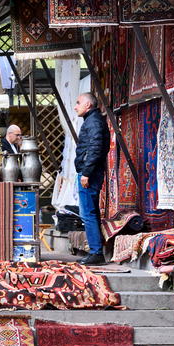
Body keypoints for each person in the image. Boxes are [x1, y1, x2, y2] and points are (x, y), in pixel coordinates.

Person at [73, 92, 110, 266]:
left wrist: (86, 172)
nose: (75, 106)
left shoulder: (94, 122)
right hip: (91, 171)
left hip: (90, 173)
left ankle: (96, 252)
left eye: (78, 102)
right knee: (89, 213)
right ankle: (95, 252)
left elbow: (96, 147)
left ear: (88, 105)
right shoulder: (93, 120)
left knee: (88, 213)